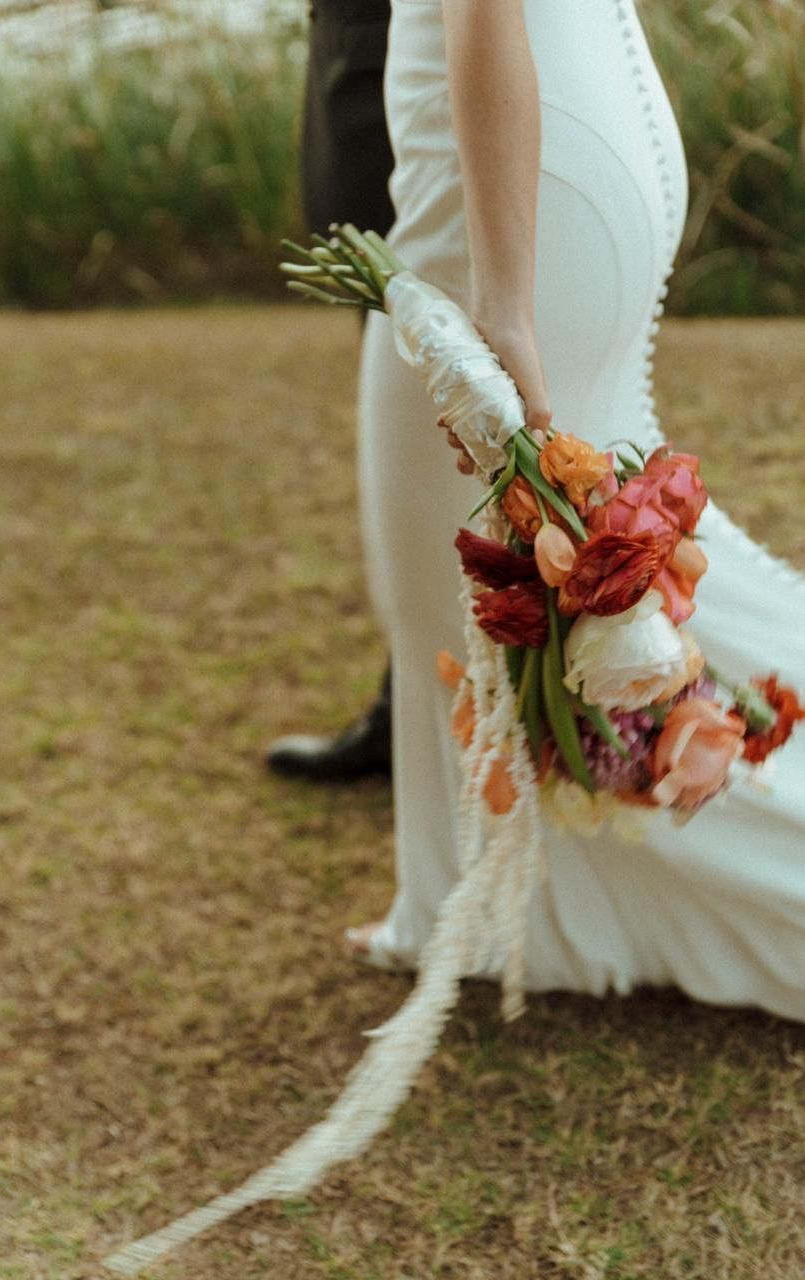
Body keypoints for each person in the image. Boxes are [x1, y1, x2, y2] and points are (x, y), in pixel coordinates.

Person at [349, 0, 805, 1022]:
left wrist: (500, 297)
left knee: (487, 561)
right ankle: (500, 910)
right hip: (550, 115)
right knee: (539, 566)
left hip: (511, 167)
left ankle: (529, 908)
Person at [266, 0, 395, 782]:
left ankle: (453, 711)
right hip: (356, 60)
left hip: (399, 67)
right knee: (410, 414)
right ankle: (418, 699)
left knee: (447, 408)